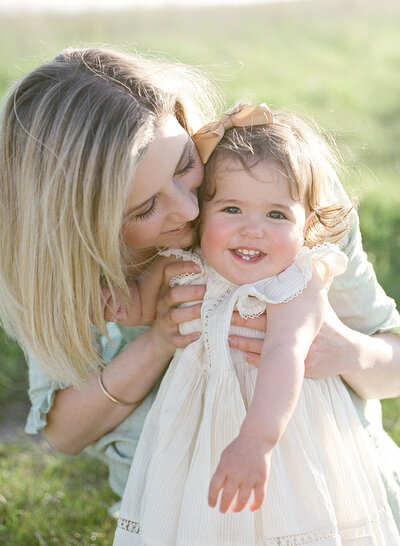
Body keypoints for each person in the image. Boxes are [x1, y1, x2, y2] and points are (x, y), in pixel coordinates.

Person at [0, 47, 398, 523]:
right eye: (145, 209)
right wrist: (159, 339)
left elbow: (391, 360)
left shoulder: (280, 190)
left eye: (185, 164)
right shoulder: (53, 259)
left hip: (323, 484)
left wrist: (343, 350)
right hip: (177, 502)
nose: (190, 211)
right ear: (82, 226)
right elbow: (64, 433)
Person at [113, 104, 400, 545]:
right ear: (200, 214)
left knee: (280, 522)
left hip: (281, 435)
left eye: (276, 215)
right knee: (195, 518)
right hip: (196, 428)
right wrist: (111, 299)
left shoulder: (296, 284)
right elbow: (138, 306)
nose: (252, 230)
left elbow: (286, 353)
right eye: (231, 208)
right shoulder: (185, 266)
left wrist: (257, 440)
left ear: (307, 226)